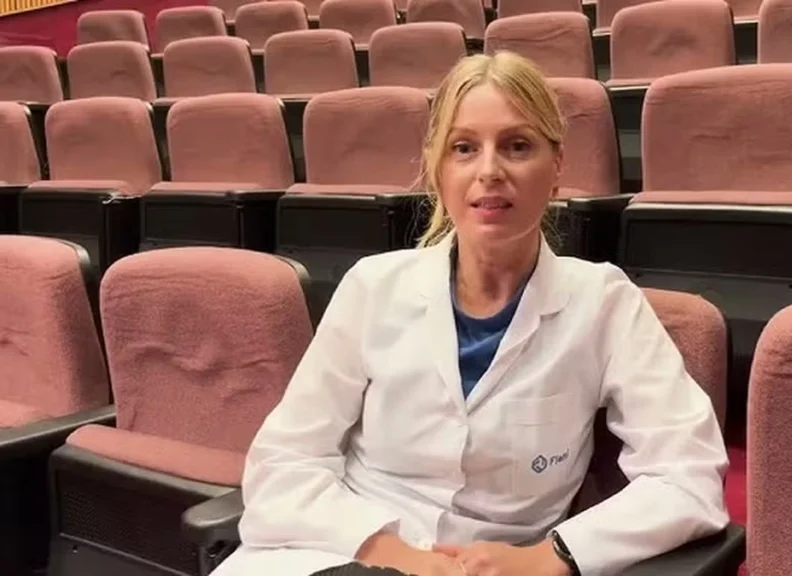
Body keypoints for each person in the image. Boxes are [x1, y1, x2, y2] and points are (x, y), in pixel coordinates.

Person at [211, 51, 729, 576]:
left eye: (517, 145)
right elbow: (283, 461)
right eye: (464, 148)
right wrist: (392, 554)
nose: (489, 171)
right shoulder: (372, 287)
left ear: (557, 167)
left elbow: (688, 475)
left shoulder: (605, 303)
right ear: (438, 170)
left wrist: (554, 555)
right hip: (340, 550)